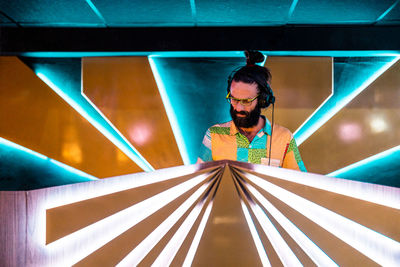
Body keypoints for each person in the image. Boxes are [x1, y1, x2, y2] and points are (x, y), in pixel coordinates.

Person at [197, 51, 306, 172]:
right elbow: (199, 182)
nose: (238, 108)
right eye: (234, 99)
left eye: (246, 101)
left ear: (262, 100)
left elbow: (300, 184)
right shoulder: (214, 135)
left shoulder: (284, 138)